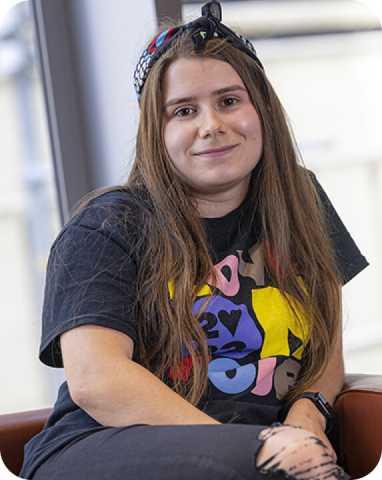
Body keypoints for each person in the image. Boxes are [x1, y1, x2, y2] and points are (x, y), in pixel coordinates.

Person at [20, 2, 369, 479]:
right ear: (156, 131)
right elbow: (96, 382)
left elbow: (325, 349)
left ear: (260, 109)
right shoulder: (106, 226)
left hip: (267, 455)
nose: (211, 125)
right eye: (184, 110)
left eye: (229, 101)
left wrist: (307, 414)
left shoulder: (301, 202)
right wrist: (244, 453)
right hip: (102, 448)